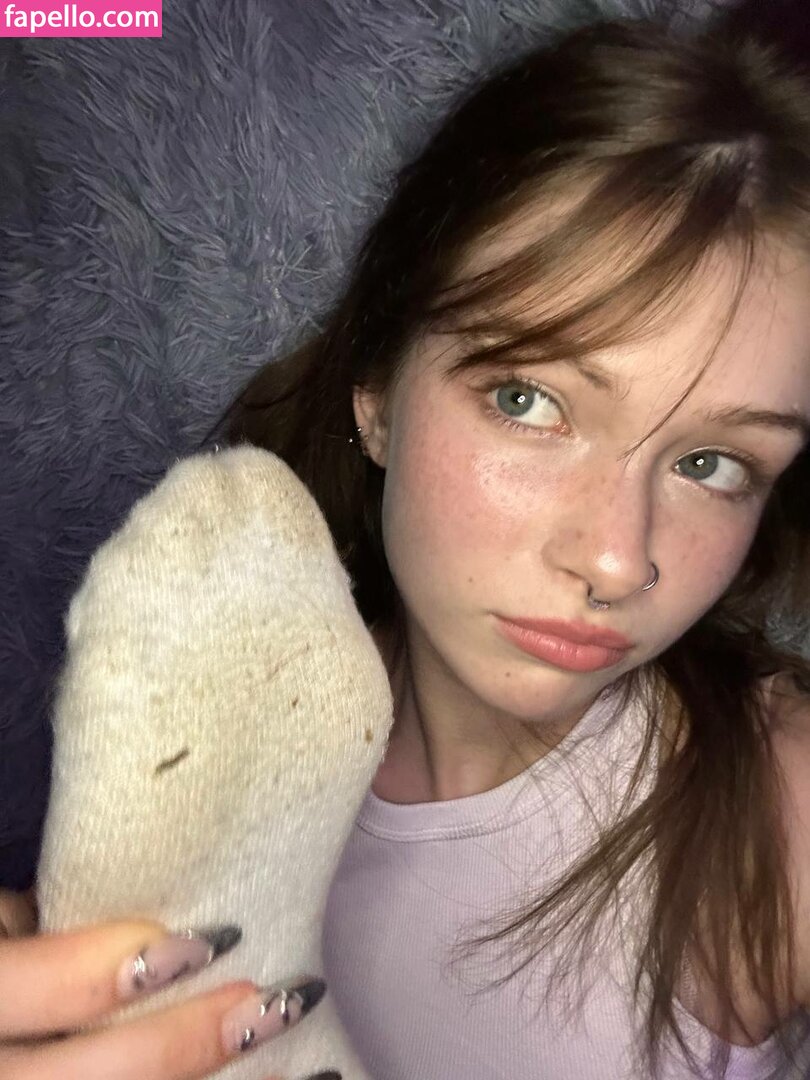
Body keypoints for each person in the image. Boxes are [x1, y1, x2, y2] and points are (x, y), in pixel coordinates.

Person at [3, 3, 810, 1077]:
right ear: (377, 389)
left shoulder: (781, 804)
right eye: (528, 401)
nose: (618, 560)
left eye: (712, 464)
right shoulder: (211, 706)